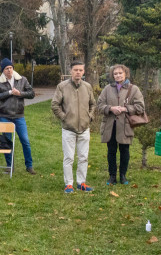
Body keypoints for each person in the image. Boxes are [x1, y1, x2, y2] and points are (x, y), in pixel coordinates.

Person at [96, 64, 145, 185]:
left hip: (125, 125)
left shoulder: (134, 89)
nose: (118, 75)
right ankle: (112, 176)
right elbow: (99, 105)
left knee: (124, 151)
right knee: (111, 151)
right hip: (110, 125)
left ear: (126, 74)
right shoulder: (107, 89)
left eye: (120, 73)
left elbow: (140, 107)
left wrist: (125, 109)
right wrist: (110, 108)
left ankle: (123, 175)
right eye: (115, 74)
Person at [51, 61, 95, 193]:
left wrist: (90, 117)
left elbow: (93, 104)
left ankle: (81, 182)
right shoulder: (62, 86)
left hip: (84, 128)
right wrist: (65, 117)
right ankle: (68, 183)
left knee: (83, 157)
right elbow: (55, 105)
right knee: (69, 157)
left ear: (83, 72)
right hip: (68, 129)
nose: (78, 72)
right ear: (71, 71)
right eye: (75, 70)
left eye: (80, 70)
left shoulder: (87, 87)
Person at [0, 58, 37, 175]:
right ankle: (9, 166)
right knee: (7, 142)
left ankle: (29, 166)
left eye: (10, 68)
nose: (9, 70)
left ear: (13, 68)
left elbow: (32, 94)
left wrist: (20, 93)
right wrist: (9, 93)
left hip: (19, 116)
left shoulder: (22, 80)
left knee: (25, 140)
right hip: (4, 116)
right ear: (3, 70)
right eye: (6, 69)